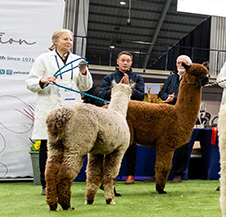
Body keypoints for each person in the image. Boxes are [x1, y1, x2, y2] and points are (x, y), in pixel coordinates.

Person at [26, 29, 93, 195]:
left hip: (72, 110)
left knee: (70, 146)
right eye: (65, 39)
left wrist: (84, 72)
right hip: (50, 107)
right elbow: (30, 82)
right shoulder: (43, 59)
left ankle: (65, 181)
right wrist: (43, 80)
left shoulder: (78, 60)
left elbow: (86, 87)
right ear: (55, 41)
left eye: (70, 39)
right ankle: (46, 184)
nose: (69, 42)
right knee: (48, 146)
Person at [100, 51, 146, 184]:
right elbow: (102, 94)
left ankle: (130, 174)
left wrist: (128, 88)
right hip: (111, 116)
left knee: (131, 144)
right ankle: (109, 175)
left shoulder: (137, 78)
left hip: (130, 116)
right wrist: (120, 87)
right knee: (110, 144)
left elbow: (141, 96)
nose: (125, 62)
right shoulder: (109, 78)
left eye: (128, 60)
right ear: (118, 62)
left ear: (131, 63)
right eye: (123, 60)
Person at [158, 55, 193, 183]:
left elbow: (191, 96)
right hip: (169, 115)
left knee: (183, 145)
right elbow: (161, 93)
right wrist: (167, 97)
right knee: (164, 144)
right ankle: (161, 174)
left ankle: (179, 174)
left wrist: (176, 98)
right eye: (178, 63)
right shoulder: (171, 78)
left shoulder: (192, 79)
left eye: (183, 63)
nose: (180, 65)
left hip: (184, 117)